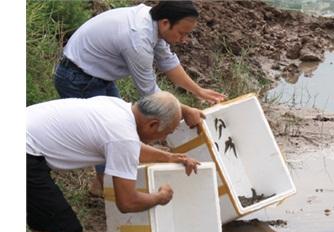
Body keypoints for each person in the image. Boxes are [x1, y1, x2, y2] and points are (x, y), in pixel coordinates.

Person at [27, 91, 200, 232]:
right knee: (66, 229)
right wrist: (160, 197)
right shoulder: (123, 136)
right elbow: (127, 202)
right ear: (152, 124)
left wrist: (170, 158)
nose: (163, 139)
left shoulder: (118, 109)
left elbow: (131, 148)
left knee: (45, 223)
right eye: (166, 133)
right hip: (25, 153)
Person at [54, 0, 225, 197]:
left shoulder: (152, 20)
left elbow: (168, 61)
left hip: (98, 75)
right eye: (182, 33)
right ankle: (108, 190)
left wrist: (199, 91)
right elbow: (150, 92)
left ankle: (105, 185)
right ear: (165, 23)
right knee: (110, 134)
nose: (184, 39)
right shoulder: (138, 40)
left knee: (125, 128)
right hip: (78, 77)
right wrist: (185, 111)